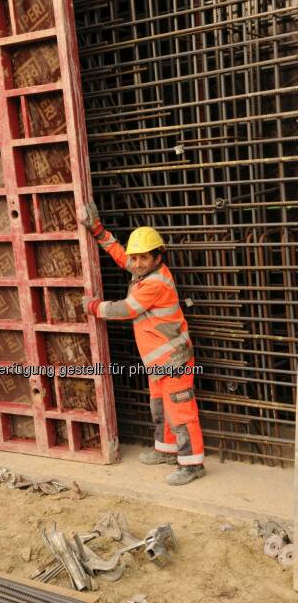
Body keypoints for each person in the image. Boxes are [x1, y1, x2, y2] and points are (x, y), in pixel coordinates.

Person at [81, 202, 205, 485]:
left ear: (157, 256)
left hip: (174, 361)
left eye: (142, 258)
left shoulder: (155, 283)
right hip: (158, 362)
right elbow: (119, 254)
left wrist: (93, 307)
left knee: (181, 412)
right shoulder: (143, 271)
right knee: (160, 408)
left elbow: (126, 309)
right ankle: (166, 450)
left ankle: (193, 465)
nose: (134, 263)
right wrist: (98, 231)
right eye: (134, 258)